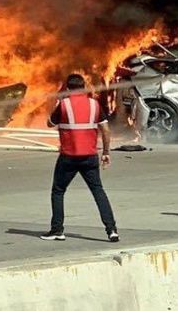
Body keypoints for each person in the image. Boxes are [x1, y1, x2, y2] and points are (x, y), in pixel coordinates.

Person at [41, 74, 119, 242]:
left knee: (58, 191)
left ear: (67, 88)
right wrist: (106, 152)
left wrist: (56, 105)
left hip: (68, 157)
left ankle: (57, 230)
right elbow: (106, 130)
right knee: (98, 191)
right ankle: (111, 230)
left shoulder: (64, 105)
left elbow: (49, 123)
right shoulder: (94, 105)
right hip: (90, 156)